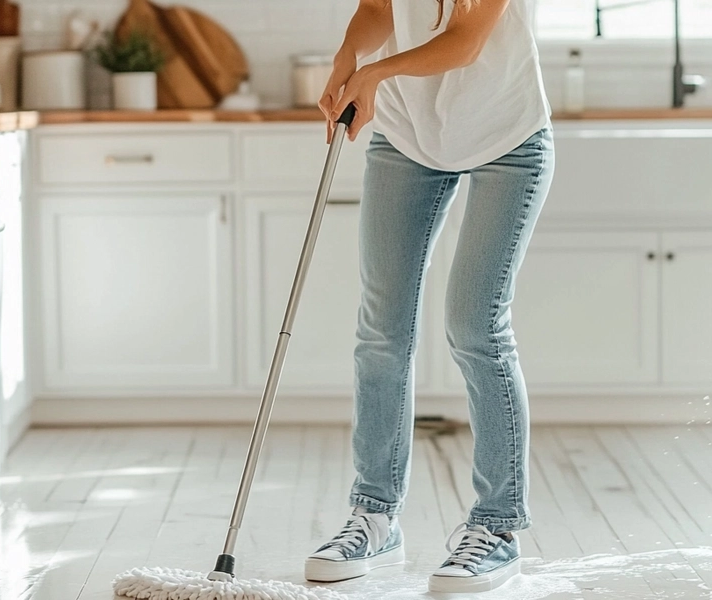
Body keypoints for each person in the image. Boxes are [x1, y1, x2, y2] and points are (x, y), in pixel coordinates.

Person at [303, 0, 554, 593]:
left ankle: (497, 527)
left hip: (507, 137)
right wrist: (348, 55)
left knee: (476, 328)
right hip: (409, 135)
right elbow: (377, 8)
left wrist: (372, 74)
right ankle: (375, 516)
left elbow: (464, 42)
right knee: (381, 332)